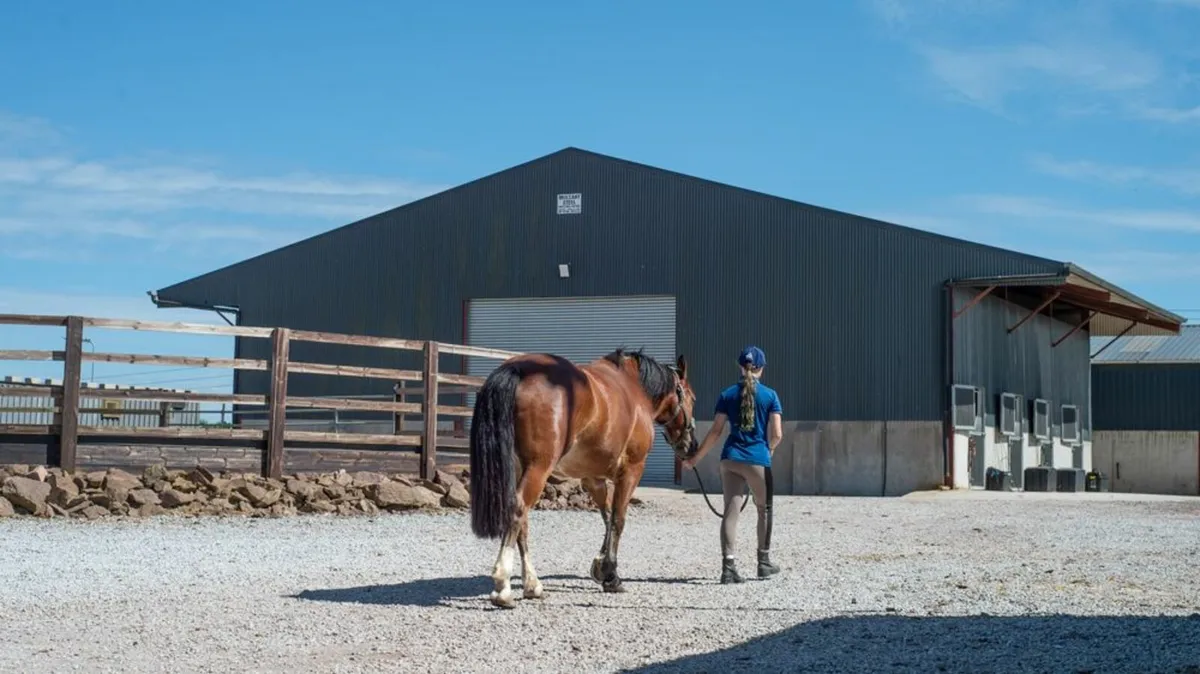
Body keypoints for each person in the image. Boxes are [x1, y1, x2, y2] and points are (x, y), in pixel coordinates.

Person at [683, 345, 783, 584]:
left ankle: (728, 567)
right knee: (764, 509)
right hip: (758, 459)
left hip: (730, 459)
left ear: (740, 367)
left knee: (730, 510)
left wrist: (695, 458)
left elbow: (716, 431)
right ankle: (763, 562)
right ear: (761, 369)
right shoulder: (770, 396)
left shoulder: (727, 394)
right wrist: (768, 450)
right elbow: (777, 433)